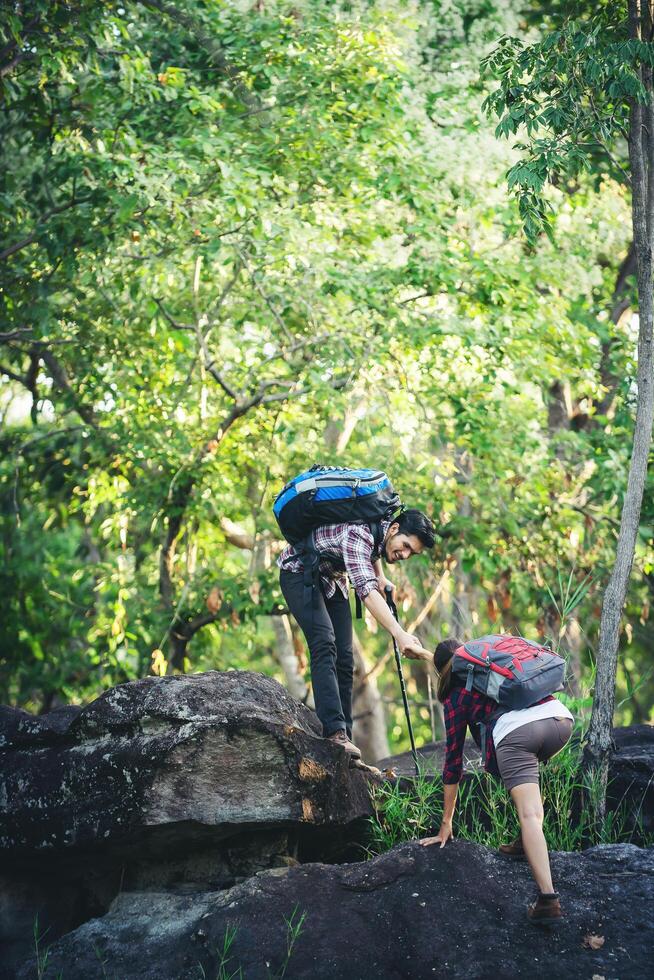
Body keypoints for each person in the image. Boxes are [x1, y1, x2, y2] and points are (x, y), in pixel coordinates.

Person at [419, 637, 574, 924]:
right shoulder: (492, 666)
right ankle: (526, 839)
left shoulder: (456, 695)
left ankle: (548, 898)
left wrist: (446, 824)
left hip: (519, 735)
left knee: (530, 813)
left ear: (441, 671)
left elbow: (453, 761)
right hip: (560, 722)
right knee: (526, 786)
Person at [278, 509, 435, 760]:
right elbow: (366, 591)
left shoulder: (380, 528)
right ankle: (335, 734)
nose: (404, 555)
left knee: (345, 658)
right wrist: (399, 633)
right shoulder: (357, 535)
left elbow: (375, 553)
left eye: (411, 553)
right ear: (394, 529)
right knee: (324, 644)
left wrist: (380, 575)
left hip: (332, 577)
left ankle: (345, 743)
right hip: (299, 572)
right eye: (405, 546)